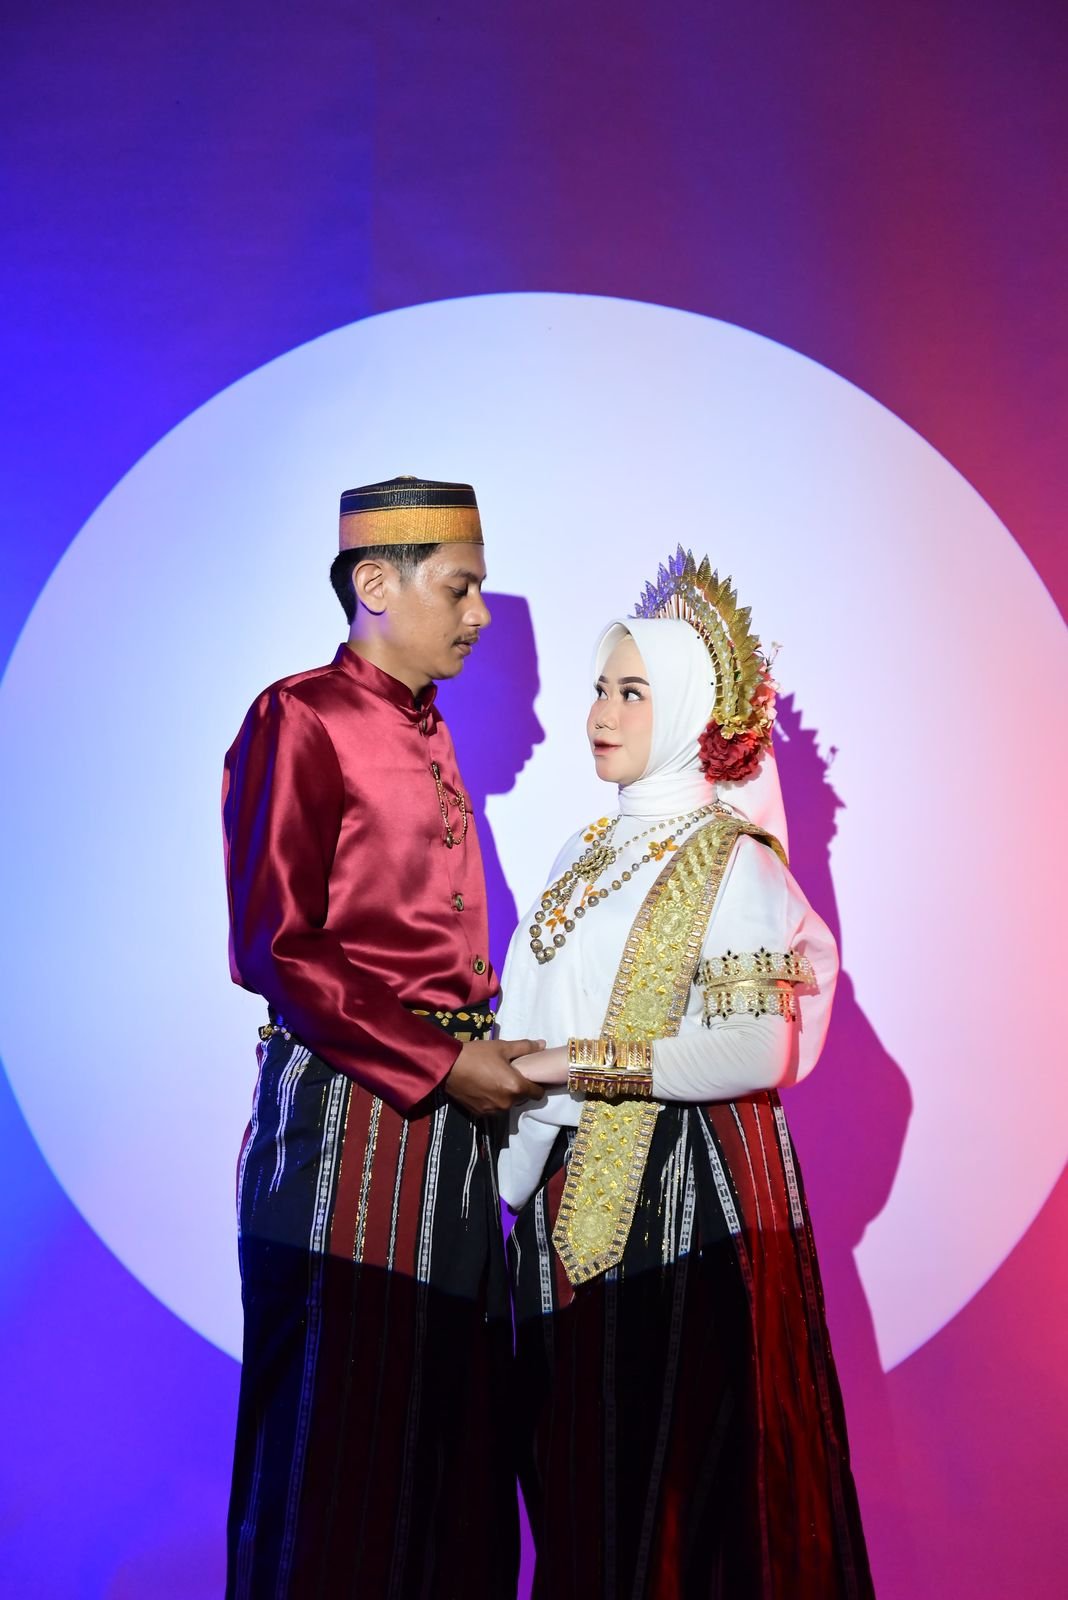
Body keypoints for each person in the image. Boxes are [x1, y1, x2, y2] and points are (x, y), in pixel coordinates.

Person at [497, 547, 874, 1599]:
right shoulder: (580, 851)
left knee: (676, 1497)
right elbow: (527, 1024)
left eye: (633, 692)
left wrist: (578, 1064)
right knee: (579, 1487)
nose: (601, 713)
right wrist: (497, 1201)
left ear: (691, 710)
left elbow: (757, 1050)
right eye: (600, 688)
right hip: (565, 1206)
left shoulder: (734, 859)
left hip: (686, 1207)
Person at [222, 475, 542, 1598]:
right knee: (337, 1452)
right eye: (460, 588)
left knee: (450, 1448)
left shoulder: (427, 726)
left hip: (448, 1130)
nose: (478, 616)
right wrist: (446, 1061)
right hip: (347, 1130)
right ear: (375, 582)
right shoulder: (301, 716)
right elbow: (275, 945)